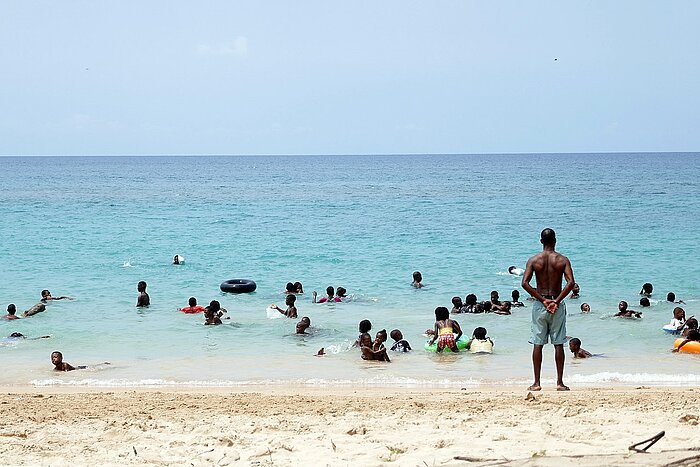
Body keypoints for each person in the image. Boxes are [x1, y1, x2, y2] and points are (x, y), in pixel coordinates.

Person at [522, 228, 575, 392]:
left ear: (541, 241)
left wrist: (543, 300)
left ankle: (537, 383)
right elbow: (571, 283)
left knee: (538, 344)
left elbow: (525, 283)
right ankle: (559, 383)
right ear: (555, 240)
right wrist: (556, 301)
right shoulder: (562, 260)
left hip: (541, 304)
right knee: (558, 343)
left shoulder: (534, 260)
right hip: (556, 304)